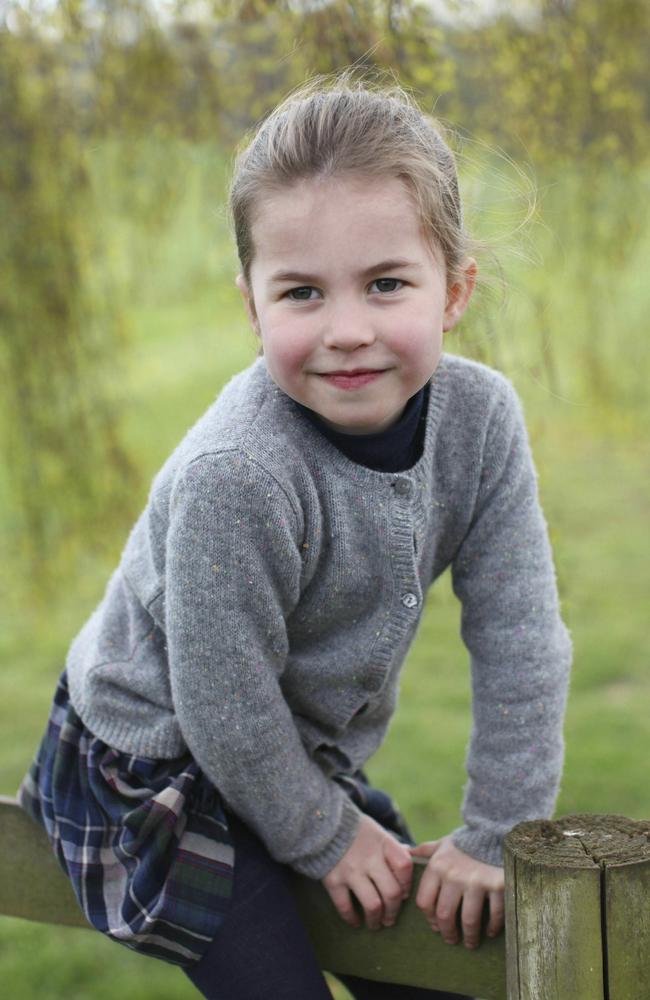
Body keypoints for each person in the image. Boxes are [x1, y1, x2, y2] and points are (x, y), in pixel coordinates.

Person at [18, 76, 572, 1000]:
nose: (347, 331)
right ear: (252, 306)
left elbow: (520, 637)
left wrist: (493, 835)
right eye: (303, 292)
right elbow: (221, 700)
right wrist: (327, 835)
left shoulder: (481, 423)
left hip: (285, 755)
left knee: (439, 970)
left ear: (455, 289)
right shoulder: (237, 474)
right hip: (148, 767)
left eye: (387, 283)